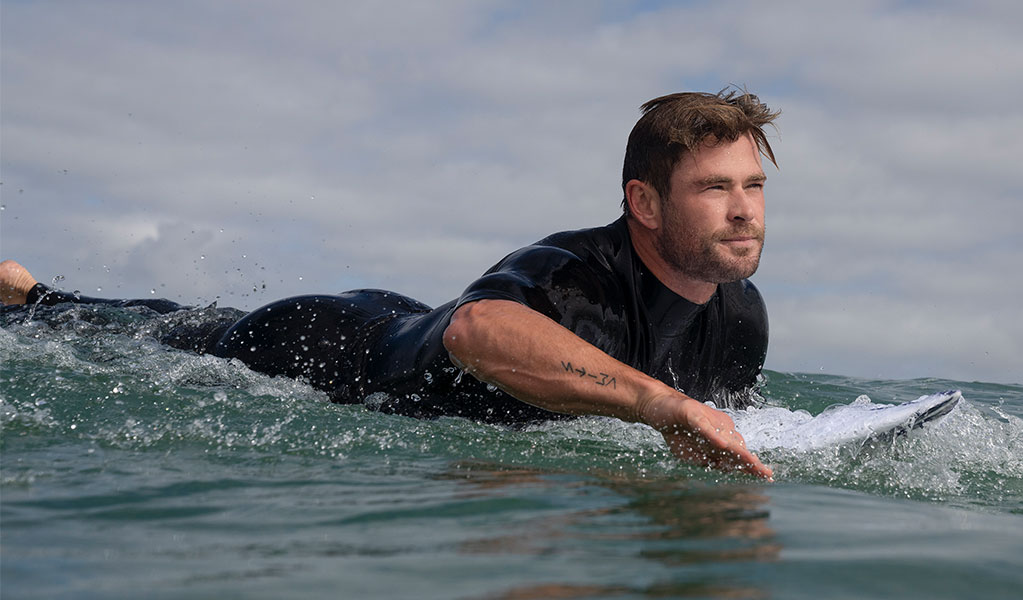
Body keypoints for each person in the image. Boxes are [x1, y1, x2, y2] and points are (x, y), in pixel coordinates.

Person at [1, 89, 779, 479]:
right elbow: (476, 332)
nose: (745, 212)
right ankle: (37, 302)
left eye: (754, 185)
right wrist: (657, 403)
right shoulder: (575, 276)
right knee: (163, 335)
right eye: (715, 189)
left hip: (399, 318)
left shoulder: (740, 319)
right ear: (644, 202)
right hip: (325, 350)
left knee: (183, 321)